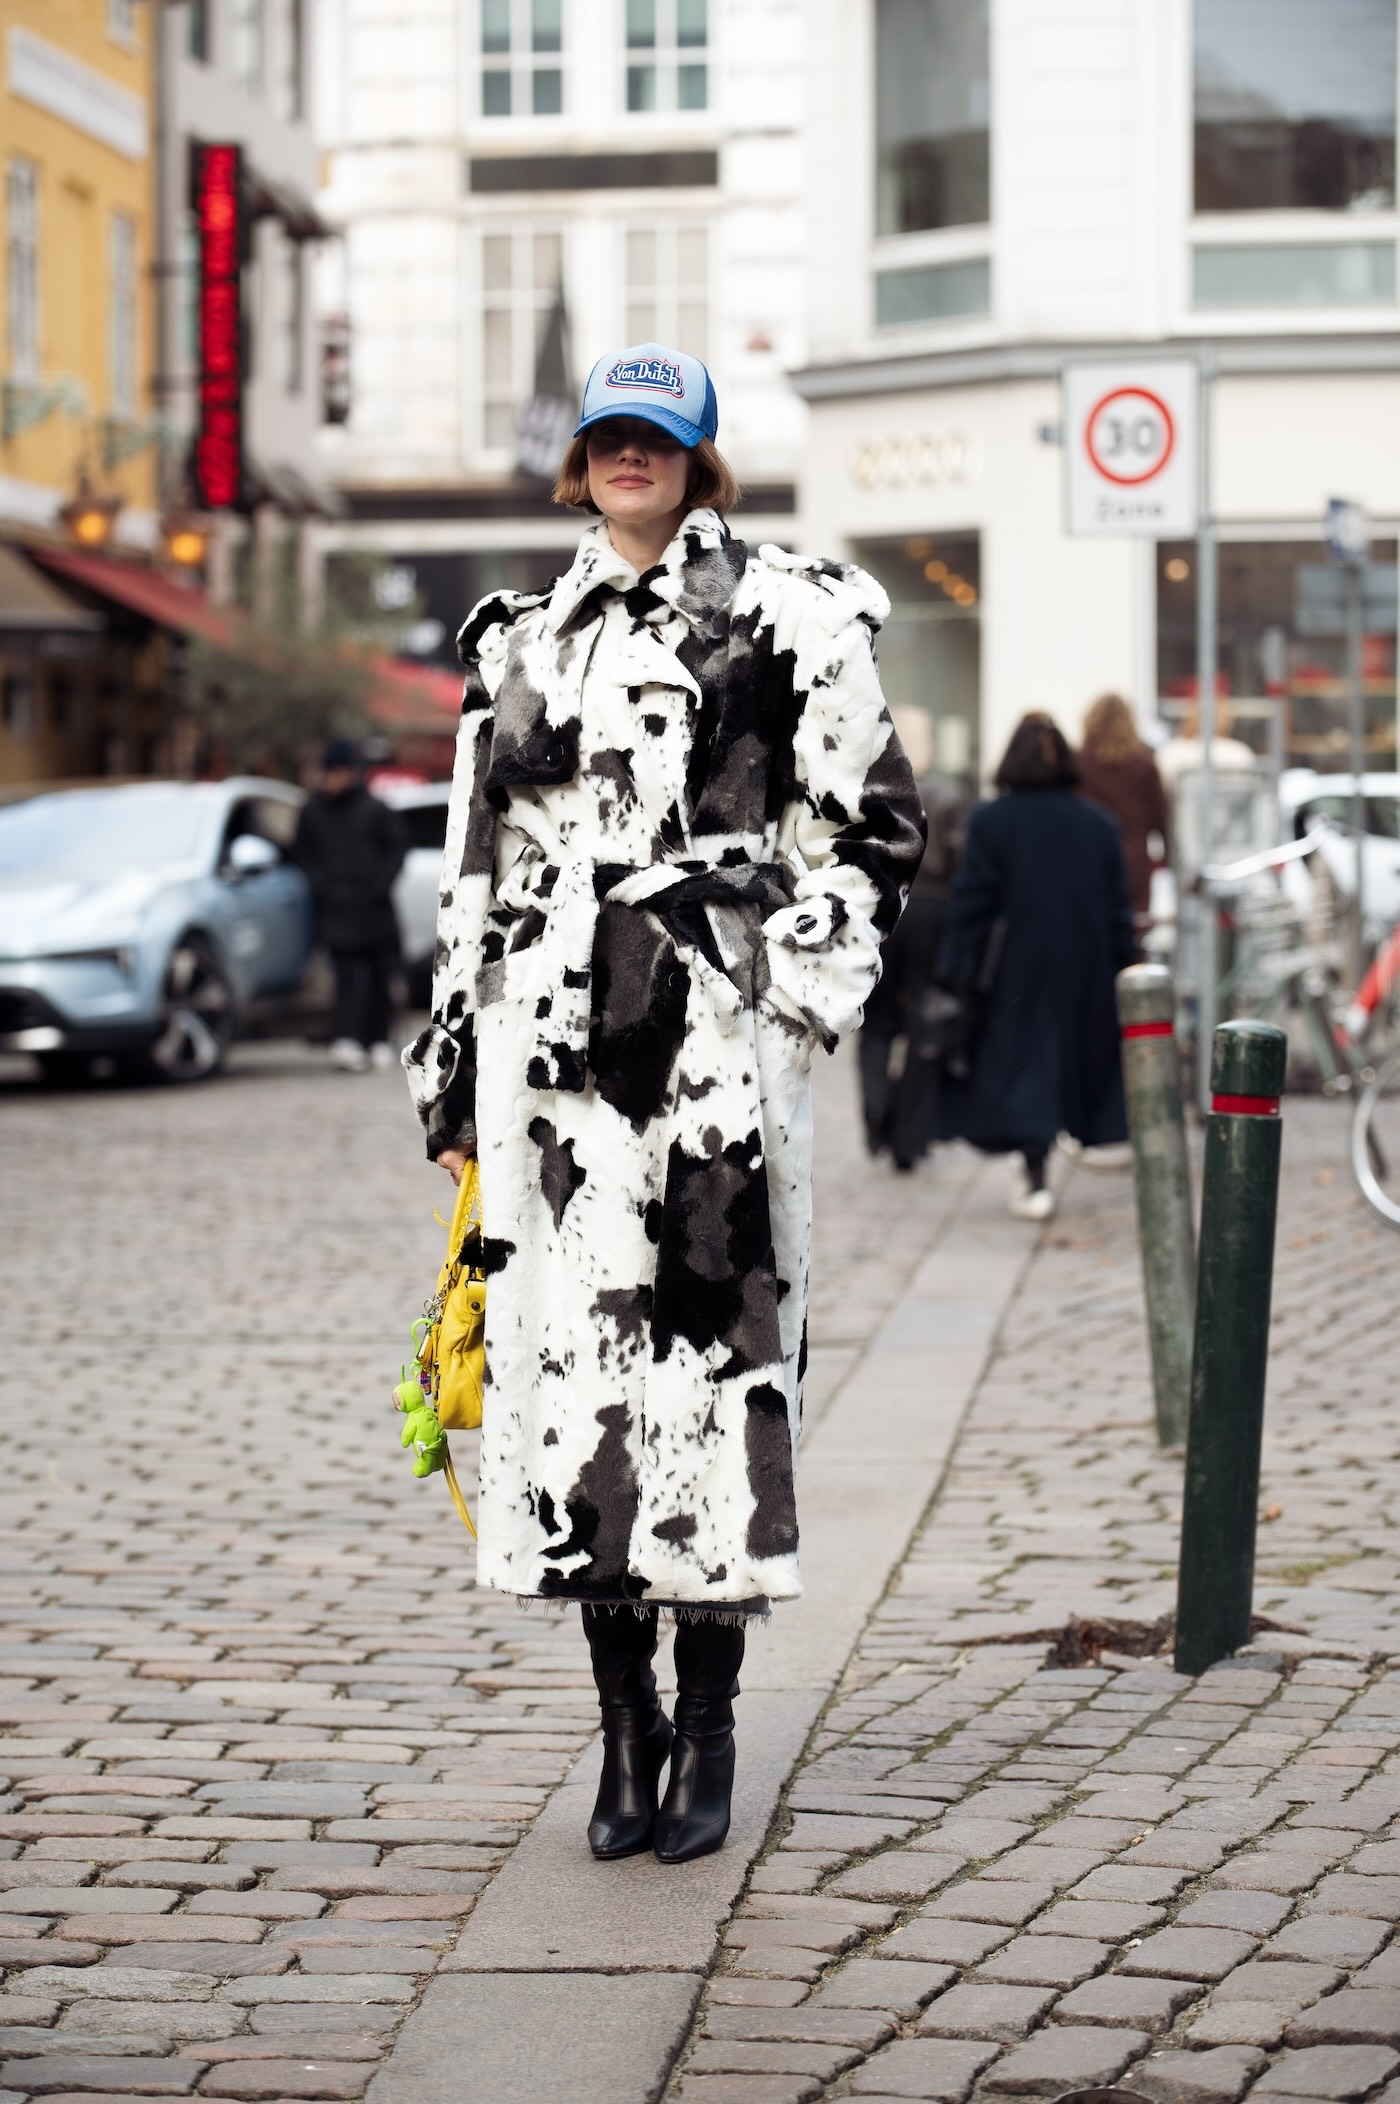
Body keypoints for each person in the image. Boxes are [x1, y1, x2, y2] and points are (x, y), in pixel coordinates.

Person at [403, 342, 924, 1864]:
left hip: (706, 1078)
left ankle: (710, 1730)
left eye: (658, 437)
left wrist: (773, 984)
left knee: (707, 1395)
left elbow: (875, 836)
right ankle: (619, 1736)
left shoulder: (793, 617)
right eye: (608, 437)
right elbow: (473, 870)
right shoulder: (516, 639)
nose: (631, 458)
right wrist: (451, 1070)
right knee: (571, 1411)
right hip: (546, 1081)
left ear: (701, 457)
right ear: (579, 460)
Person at [936, 712, 1136, 1222]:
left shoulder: (992, 820)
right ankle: (1045, 1158)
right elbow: (1119, 909)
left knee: (1026, 1064)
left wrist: (956, 965)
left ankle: (1034, 1167)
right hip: (1082, 965)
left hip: (1014, 968)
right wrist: (1128, 962)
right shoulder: (1098, 824)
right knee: (1066, 1060)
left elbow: (974, 899)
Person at [860, 707, 973, 1170]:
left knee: (876, 1024)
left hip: (882, 910)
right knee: (925, 1023)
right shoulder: (947, 795)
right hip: (931, 912)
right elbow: (959, 861)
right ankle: (908, 1136)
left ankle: (876, 1110)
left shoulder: (871, 794)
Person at [293, 737, 407, 1072]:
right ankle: (347, 1039)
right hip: (337, 910)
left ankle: (379, 1040)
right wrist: (322, 886)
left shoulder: (375, 809)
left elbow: (397, 851)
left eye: (334, 772)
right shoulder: (312, 811)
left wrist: (379, 884)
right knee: (345, 979)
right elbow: (302, 853)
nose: (328, 779)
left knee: (378, 977)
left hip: (375, 910)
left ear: (350, 773)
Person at [1075, 693, 1170, 927]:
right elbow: (1163, 820)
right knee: (1132, 939)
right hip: (1133, 865)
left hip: (1086, 863)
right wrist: (1169, 864)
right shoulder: (1144, 766)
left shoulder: (1076, 764)